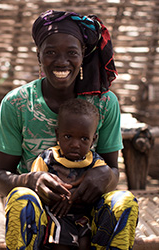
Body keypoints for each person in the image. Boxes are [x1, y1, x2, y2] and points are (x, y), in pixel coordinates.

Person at [0, 9, 138, 250]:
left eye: (72, 52)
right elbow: (1, 178)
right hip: (40, 211)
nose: (61, 61)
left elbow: (113, 172)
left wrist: (105, 175)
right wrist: (31, 180)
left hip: (90, 210)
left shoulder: (104, 103)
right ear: (38, 56)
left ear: (83, 54)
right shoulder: (16, 103)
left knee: (124, 202)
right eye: (50, 52)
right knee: (22, 199)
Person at [30, 98, 108, 249]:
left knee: (86, 242)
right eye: (68, 137)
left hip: (85, 217)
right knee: (61, 243)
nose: (75, 144)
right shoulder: (47, 159)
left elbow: (102, 188)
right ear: (57, 134)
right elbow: (36, 186)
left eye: (84, 139)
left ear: (93, 140)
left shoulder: (97, 165)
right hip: (56, 216)